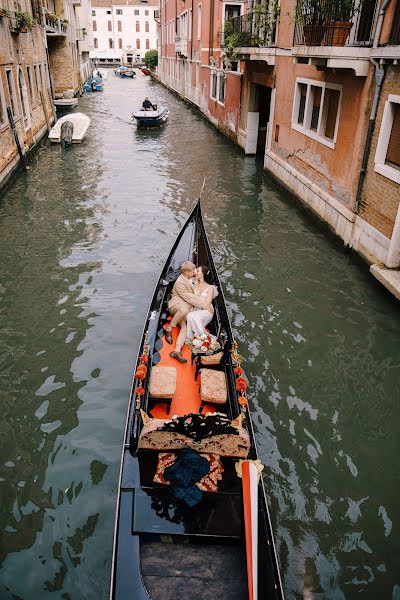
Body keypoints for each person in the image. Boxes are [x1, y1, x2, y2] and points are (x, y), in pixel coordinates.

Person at [166, 261, 206, 363]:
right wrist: (203, 304)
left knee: (185, 327)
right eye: (193, 271)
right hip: (175, 306)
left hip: (185, 307)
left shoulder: (189, 278)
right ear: (187, 272)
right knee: (184, 310)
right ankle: (170, 328)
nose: (194, 272)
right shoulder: (180, 282)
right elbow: (188, 297)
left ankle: (176, 351)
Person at [186, 266, 218, 340]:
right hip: (196, 309)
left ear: (203, 274)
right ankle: (202, 338)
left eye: (197, 271)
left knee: (192, 316)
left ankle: (204, 339)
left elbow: (207, 304)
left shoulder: (210, 288)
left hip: (207, 311)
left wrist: (194, 300)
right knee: (190, 316)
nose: (195, 272)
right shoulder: (192, 282)